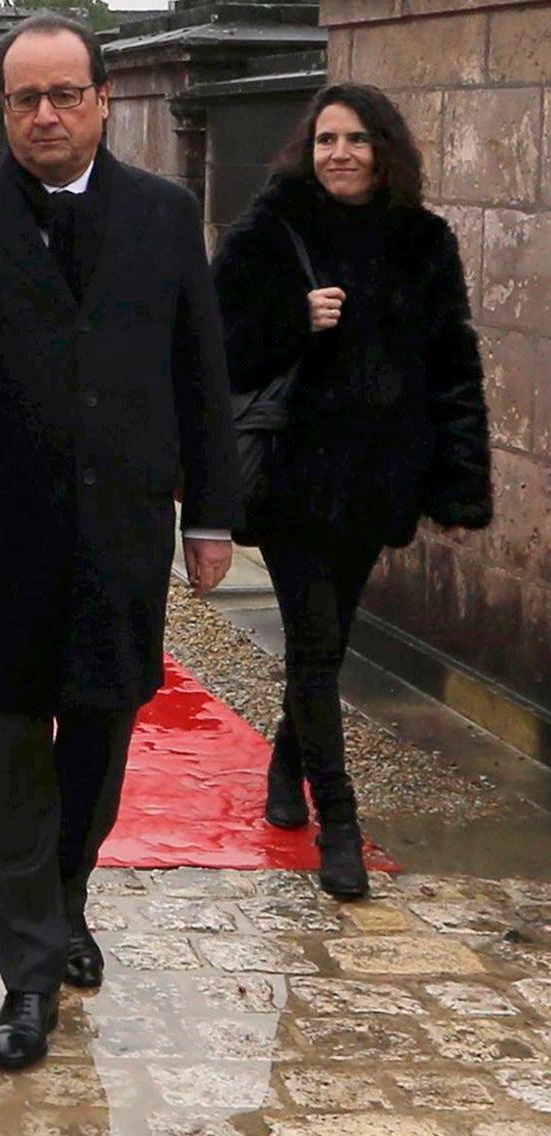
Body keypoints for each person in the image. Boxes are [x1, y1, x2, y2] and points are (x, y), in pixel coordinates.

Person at [0, 14, 239, 1071]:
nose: (43, 115)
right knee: (7, 750)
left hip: (122, 526)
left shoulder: (164, 215)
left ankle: (65, 893)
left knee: (95, 737)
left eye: (62, 96)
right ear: (0, 110)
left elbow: (198, 372)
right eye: (22, 99)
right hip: (1, 532)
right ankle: (27, 970)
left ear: (98, 101)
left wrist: (210, 512)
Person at [211, 83, 490, 900]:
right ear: (308, 148)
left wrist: (458, 479)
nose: (340, 153)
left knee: (325, 647)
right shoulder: (268, 232)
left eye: (358, 139)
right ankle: (338, 823)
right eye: (327, 138)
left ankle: (284, 760)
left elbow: (453, 364)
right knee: (314, 644)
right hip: (295, 481)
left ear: (384, 151)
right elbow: (213, 349)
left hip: (378, 481)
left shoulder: (423, 242)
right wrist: (294, 320)